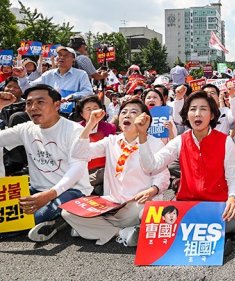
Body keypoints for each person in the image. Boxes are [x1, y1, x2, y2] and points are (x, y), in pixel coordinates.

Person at [136, 90, 235, 254]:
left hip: (215, 206)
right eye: (192, 109)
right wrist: (142, 136)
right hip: (185, 205)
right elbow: (151, 166)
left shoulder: (225, 141)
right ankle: (213, 236)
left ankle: (188, 232)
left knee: (233, 220)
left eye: (203, 109)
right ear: (187, 114)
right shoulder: (180, 140)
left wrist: (233, 199)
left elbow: (234, 180)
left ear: (212, 115)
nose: (197, 114)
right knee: (145, 214)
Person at [62, 99, 170, 246]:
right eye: (123, 112)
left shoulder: (155, 142)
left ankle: (91, 230)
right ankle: (122, 233)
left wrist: (153, 190)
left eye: (134, 112)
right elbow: (78, 153)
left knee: (148, 212)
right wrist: (90, 124)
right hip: (110, 205)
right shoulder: (111, 141)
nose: (127, 115)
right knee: (68, 212)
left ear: (145, 119)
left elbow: (163, 175)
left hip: (137, 205)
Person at [0, 84, 92, 242]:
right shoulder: (26, 129)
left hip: (72, 191)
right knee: (10, 218)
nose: (33, 107)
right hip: (35, 190)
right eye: (29, 103)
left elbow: (77, 169)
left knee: (31, 218)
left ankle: (57, 219)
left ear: (57, 105)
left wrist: (49, 195)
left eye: (40, 102)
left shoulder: (74, 130)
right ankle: (60, 219)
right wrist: (0, 106)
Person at [14, 46, 93, 103]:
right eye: (59, 55)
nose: (61, 57)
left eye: (65, 55)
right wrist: (22, 77)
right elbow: (27, 89)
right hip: (49, 113)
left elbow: (88, 92)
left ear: (73, 60)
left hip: (72, 115)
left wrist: (72, 96)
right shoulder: (48, 75)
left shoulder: (81, 74)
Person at [74, 95, 116, 195]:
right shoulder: (75, 128)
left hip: (103, 171)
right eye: (88, 109)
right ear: (81, 113)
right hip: (82, 171)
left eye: (95, 108)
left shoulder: (110, 127)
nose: (92, 112)